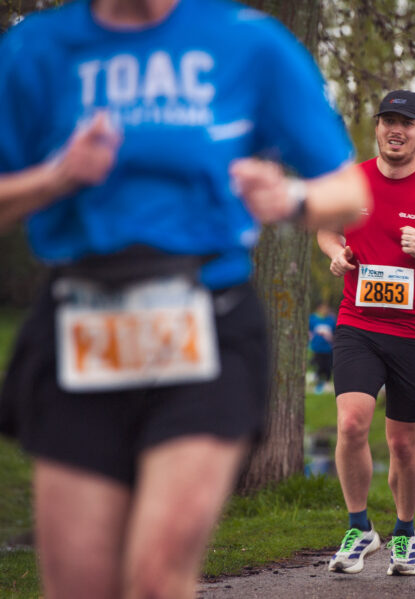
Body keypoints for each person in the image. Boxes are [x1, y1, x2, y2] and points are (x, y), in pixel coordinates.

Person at [0, 1, 370, 597]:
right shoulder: (35, 48)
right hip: (80, 320)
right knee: (79, 584)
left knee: (155, 577)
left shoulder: (248, 43)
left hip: (207, 319)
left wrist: (291, 198)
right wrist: (58, 176)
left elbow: (350, 192)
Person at [317, 89, 415, 575]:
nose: (394, 130)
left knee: (404, 443)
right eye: (387, 121)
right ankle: (360, 527)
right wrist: (335, 254)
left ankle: (405, 533)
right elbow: (325, 229)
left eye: (406, 123)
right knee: (351, 423)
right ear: (377, 128)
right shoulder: (352, 181)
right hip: (358, 323)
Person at [309, 301, 337, 394]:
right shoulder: (312, 319)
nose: (325, 310)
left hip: (328, 348)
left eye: (326, 308)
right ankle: (319, 384)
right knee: (319, 366)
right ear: (319, 308)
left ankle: (327, 383)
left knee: (328, 366)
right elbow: (309, 331)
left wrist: (330, 337)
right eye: (323, 308)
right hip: (317, 348)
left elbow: (335, 333)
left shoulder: (331, 320)